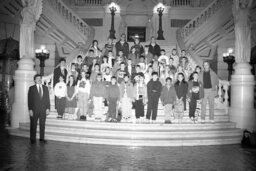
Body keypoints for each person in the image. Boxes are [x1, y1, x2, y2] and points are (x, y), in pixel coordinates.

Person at [28, 74, 50, 144]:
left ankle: (41, 138)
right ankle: (32, 139)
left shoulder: (45, 88)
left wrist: (48, 108)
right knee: (33, 124)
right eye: (37, 78)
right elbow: (29, 100)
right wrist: (30, 109)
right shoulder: (31, 88)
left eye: (40, 78)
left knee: (42, 124)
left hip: (43, 109)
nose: (39, 79)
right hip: (34, 109)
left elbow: (47, 99)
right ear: (35, 80)